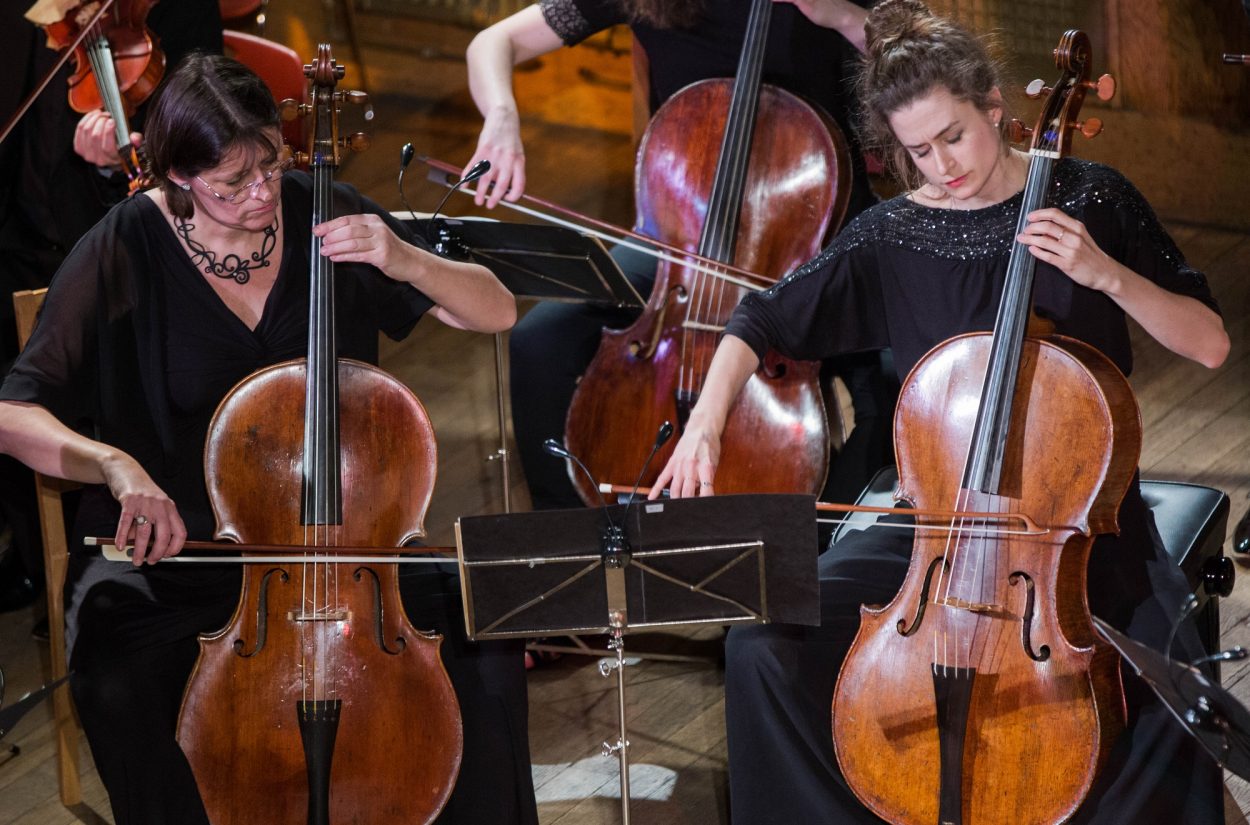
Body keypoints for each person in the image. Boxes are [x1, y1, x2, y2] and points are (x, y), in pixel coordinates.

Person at [651, 0, 1231, 822]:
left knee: (1171, 686)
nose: (941, 165)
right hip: (936, 529)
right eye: (917, 151)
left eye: (954, 136)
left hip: (1076, 537)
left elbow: (1208, 343)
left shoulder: (1092, 199)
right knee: (763, 643)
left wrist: (1106, 275)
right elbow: (762, 319)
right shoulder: (895, 231)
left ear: (994, 107)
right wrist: (706, 424)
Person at [0, 54, 536, 825]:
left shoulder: (324, 210)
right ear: (177, 178)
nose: (260, 195)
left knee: (483, 632)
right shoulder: (125, 246)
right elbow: (15, 411)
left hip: (343, 551)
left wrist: (405, 255)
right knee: (118, 677)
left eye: (268, 165)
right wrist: (116, 467)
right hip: (176, 560)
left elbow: (497, 310)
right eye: (230, 184)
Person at [465, 0, 898, 512]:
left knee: (893, 380)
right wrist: (501, 114)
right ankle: (564, 539)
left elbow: (923, 63)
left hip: (819, 233)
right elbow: (495, 42)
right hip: (682, 240)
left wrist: (845, 18)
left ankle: (824, 543)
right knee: (540, 341)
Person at [0, 0, 223, 617]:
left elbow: (208, 127)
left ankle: (81, 569)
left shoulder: (168, 7)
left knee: (97, 388)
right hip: (15, 227)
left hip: (112, 242)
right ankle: (29, 551)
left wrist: (119, 159)